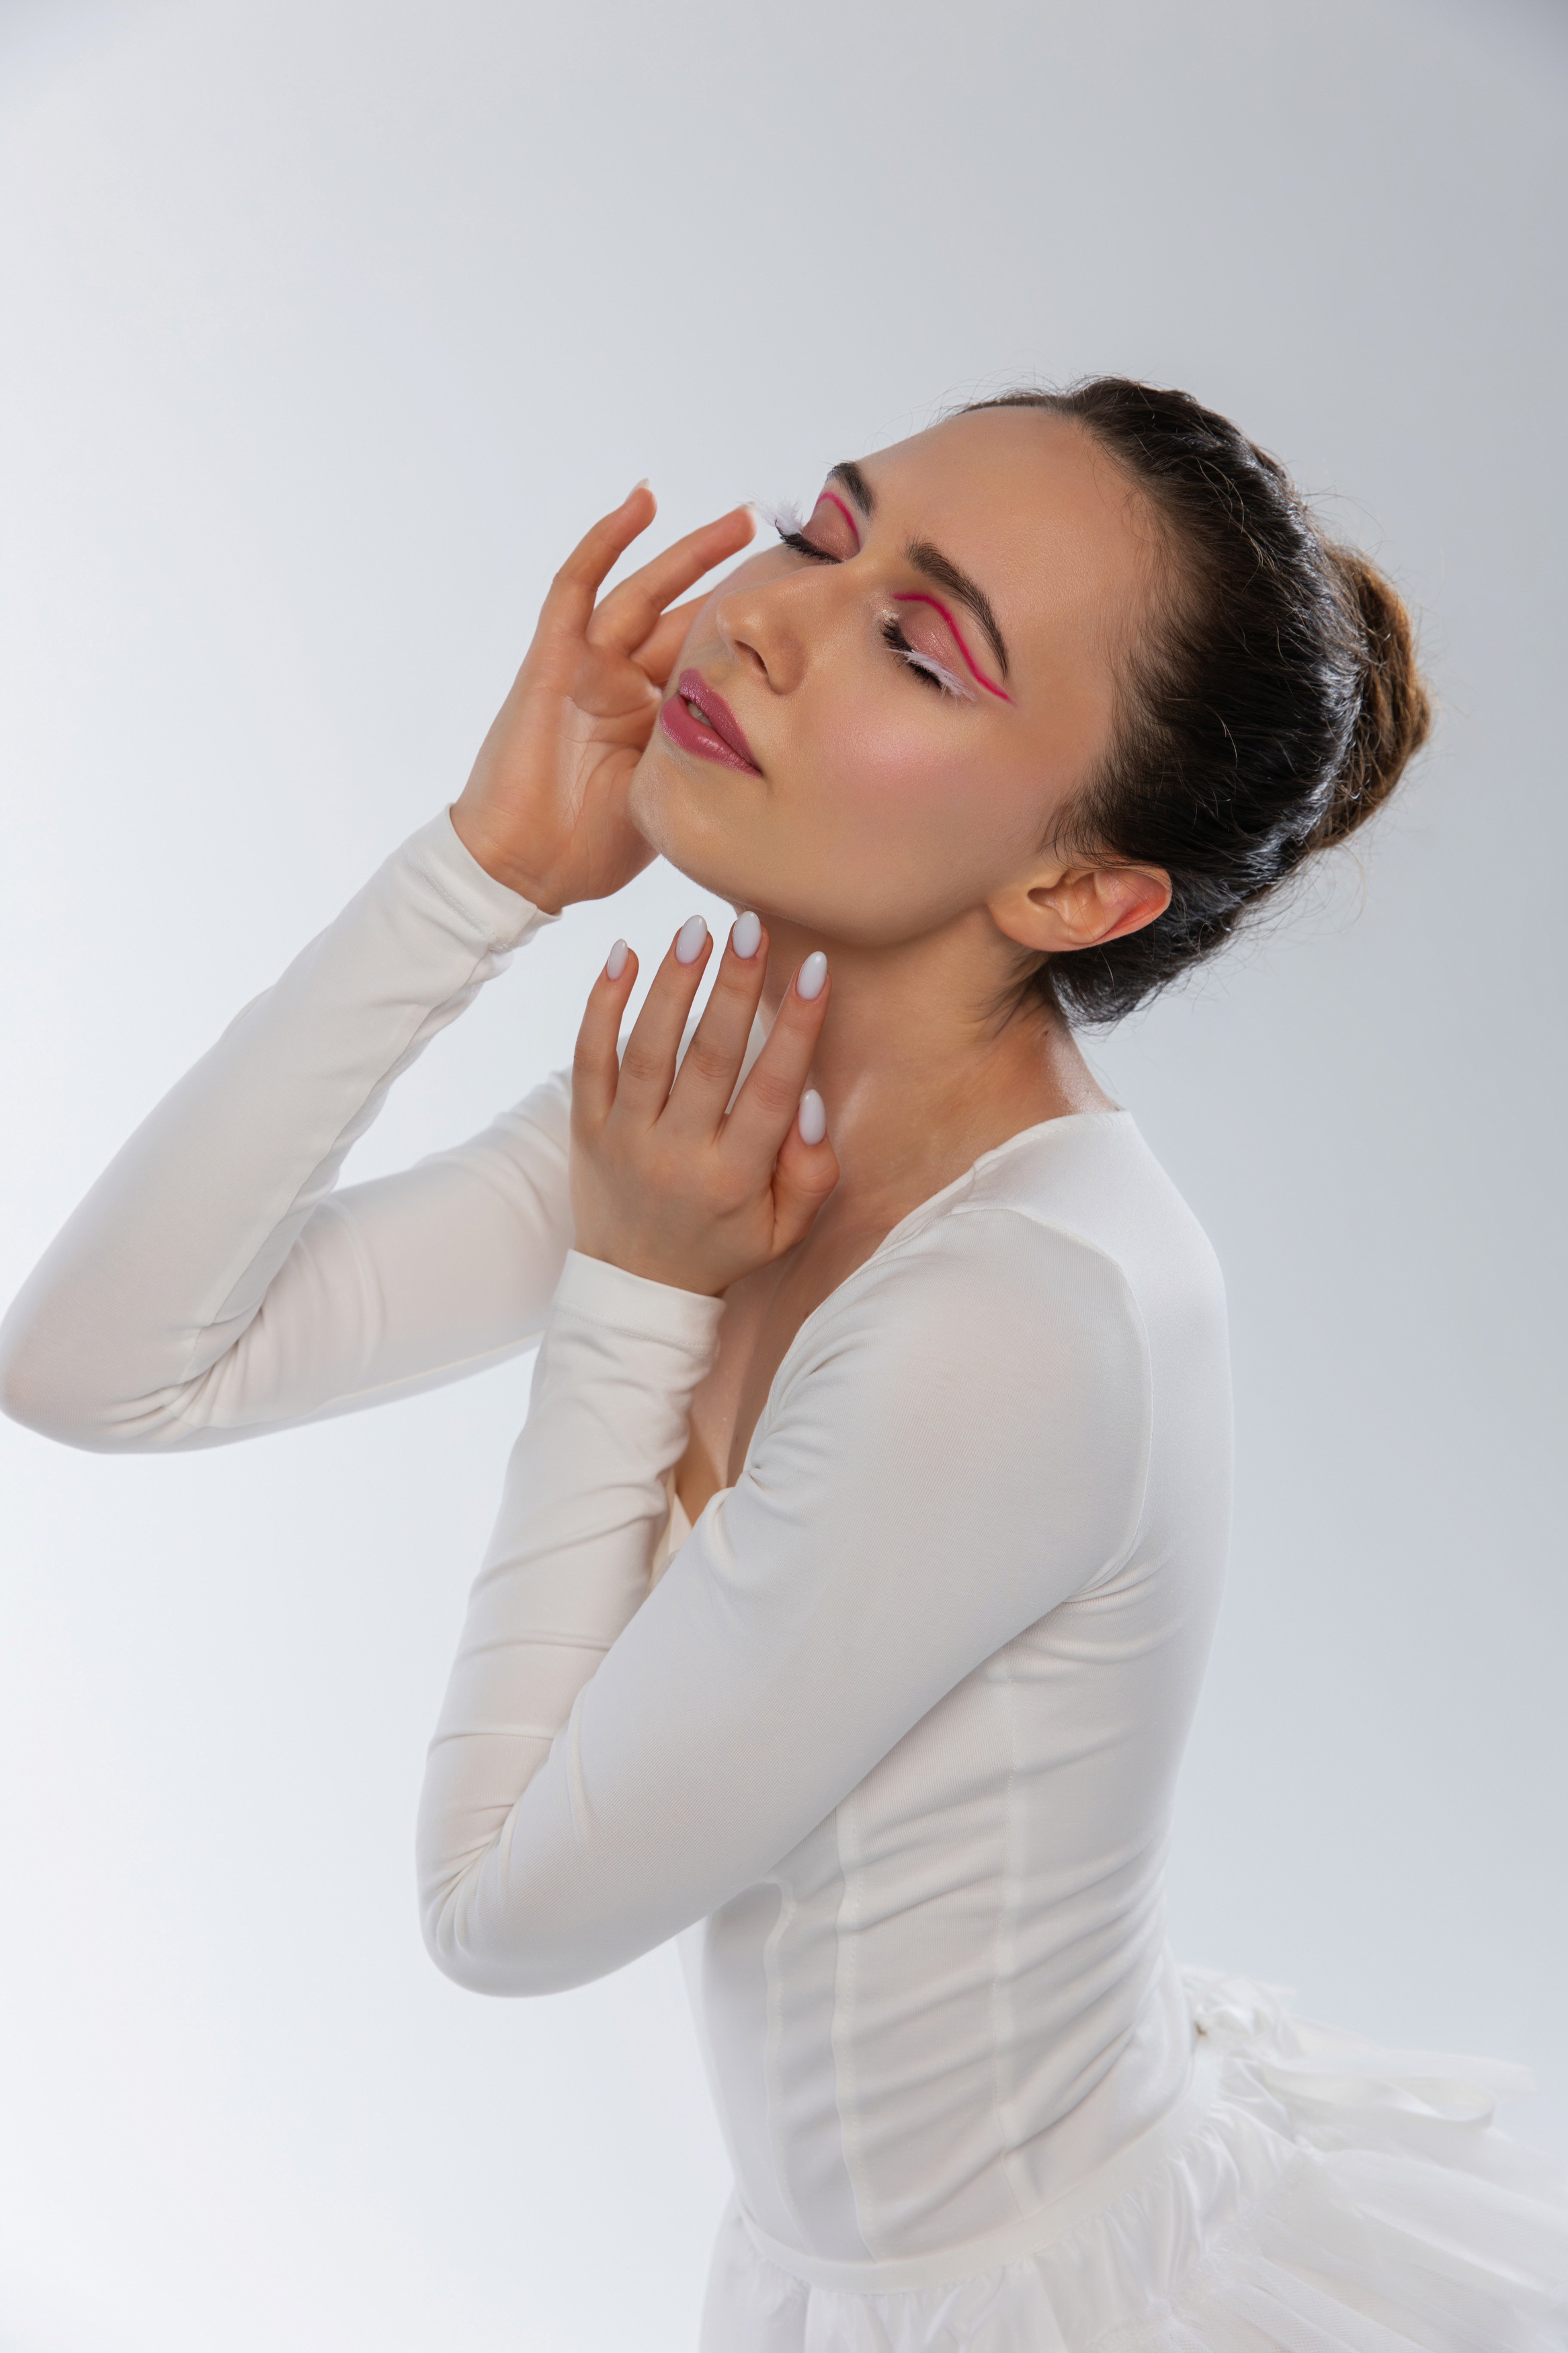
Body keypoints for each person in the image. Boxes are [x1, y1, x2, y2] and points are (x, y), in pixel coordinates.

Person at [2, 381, 1563, 2352]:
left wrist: (633, 1291)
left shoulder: (1023, 1314)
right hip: (851, 2278)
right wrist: (485, 867)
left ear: (1074, 889)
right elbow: (95, 1365)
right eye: (822, 531)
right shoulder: (749, 1094)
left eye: (919, 645)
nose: (761, 619)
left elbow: (501, 1910)